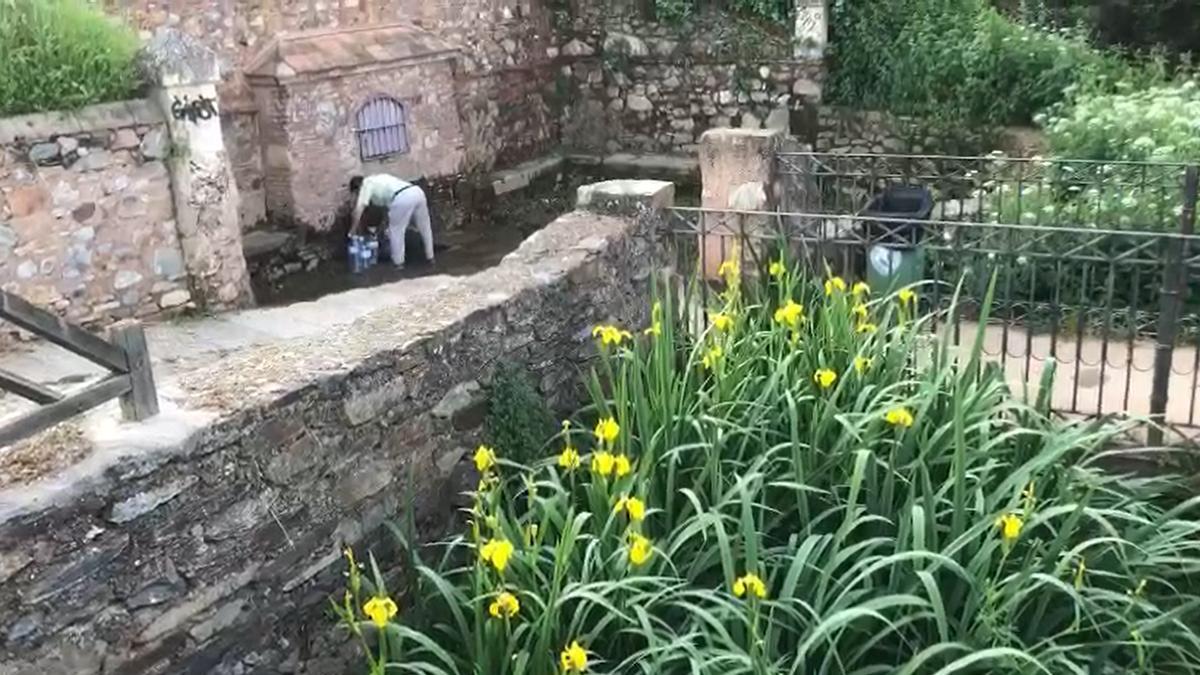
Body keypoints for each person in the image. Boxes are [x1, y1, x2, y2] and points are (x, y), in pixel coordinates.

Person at [348, 174, 434, 269]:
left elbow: (358, 210)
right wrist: (382, 226)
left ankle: (398, 264)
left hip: (402, 197)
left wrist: (352, 230)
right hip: (417, 192)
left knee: (396, 232)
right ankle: (430, 258)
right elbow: (389, 210)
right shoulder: (379, 179)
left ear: (357, 189)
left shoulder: (366, 184)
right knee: (425, 227)